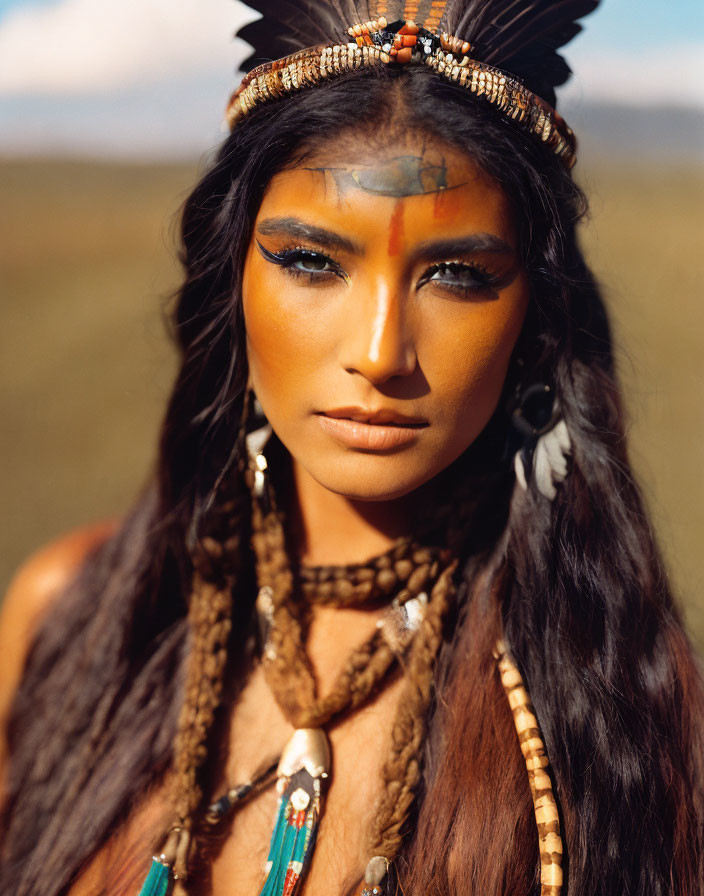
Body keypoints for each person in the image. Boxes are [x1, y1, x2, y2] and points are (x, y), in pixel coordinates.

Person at [1, 1, 703, 895]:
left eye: (457, 276)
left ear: (535, 317)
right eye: (310, 261)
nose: (379, 353)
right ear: (233, 281)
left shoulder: (616, 718)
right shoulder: (68, 623)